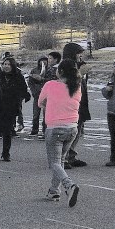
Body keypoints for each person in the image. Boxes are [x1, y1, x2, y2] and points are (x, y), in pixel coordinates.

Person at [38, 59, 81, 207]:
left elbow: (40, 102)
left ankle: (69, 185)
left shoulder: (50, 85)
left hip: (55, 128)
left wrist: (49, 106)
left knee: (54, 162)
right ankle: (54, 190)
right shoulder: (76, 86)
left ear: (60, 71)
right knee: (61, 160)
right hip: (72, 127)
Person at [0, 57, 29, 162]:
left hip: (11, 108)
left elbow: (23, 90)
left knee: (7, 132)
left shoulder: (18, 77)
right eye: (4, 64)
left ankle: (6, 154)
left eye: (8, 64)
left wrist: (21, 97)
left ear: (13, 66)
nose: (6, 66)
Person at [62, 42, 91, 168]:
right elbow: (68, 83)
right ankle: (64, 158)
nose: (81, 56)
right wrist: (80, 72)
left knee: (78, 131)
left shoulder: (79, 65)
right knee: (70, 132)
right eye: (79, 53)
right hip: (70, 104)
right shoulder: (66, 66)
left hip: (81, 102)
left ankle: (71, 156)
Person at [27, 57, 49, 137]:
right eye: (41, 61)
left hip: (47, 94)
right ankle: (34, 129)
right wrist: (33, 91)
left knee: (46, 114)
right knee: (36, 113)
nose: (43, 62)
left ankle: (45, 130)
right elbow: (30, 82)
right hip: (37, 94)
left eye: (45, 61)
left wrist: (42, 79)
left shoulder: (49, 70)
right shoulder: (34, 70)